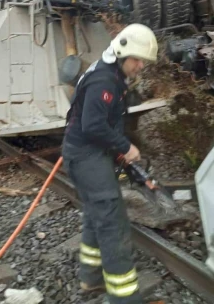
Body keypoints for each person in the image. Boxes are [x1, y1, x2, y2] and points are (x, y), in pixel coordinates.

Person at [62, 24, 158, 304]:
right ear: (122, 52)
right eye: (137, 59)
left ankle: (90, 278)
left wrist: (121, 156)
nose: (140, 66)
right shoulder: (105, 81)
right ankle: (124, 298)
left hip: (86, 153)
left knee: (96, 213)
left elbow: (103, 125)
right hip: (85, 156)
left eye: (144, 61)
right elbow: (93, 126)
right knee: (113, 223)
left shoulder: (110, 73)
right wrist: (126, 147)